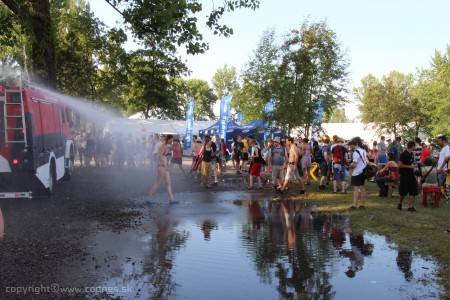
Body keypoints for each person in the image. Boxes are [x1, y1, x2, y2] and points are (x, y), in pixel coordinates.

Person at [147, 134, 175, 203]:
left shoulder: (166, 146)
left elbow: (165, 156)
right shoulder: (163, 146)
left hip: (164, 166)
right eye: (171, 140)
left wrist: (166, 165)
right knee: (158, 183)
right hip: (161, 166)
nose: (172, 142)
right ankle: (148, 198)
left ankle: (172, 200)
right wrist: (165, 165)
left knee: (168, 182)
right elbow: (160, 156)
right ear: (167, 140)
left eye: (172, 141)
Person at [397, 140, 418, 212]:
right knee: (403, 192)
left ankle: (410, 207)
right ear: (412, 146)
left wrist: (413, 165)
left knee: (413, 191)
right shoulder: (404, 154)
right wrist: (409, 166)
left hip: (411, 174)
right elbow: (399, 165)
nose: (415, 147)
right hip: (404, 175)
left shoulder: (412, 153)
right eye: (415, 145)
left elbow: (412, 163)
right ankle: (400, 203)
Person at [348, 139, 367, 210]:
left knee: (356, 188)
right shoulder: (363, 151)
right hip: (363, 171)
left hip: (357, 172)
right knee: (362, 187)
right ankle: (363, 205)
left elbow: (355, 165)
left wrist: (349, 167)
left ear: (353, 145)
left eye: (350, 145)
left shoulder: (355, 153)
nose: (349, 146)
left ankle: (354, 205)